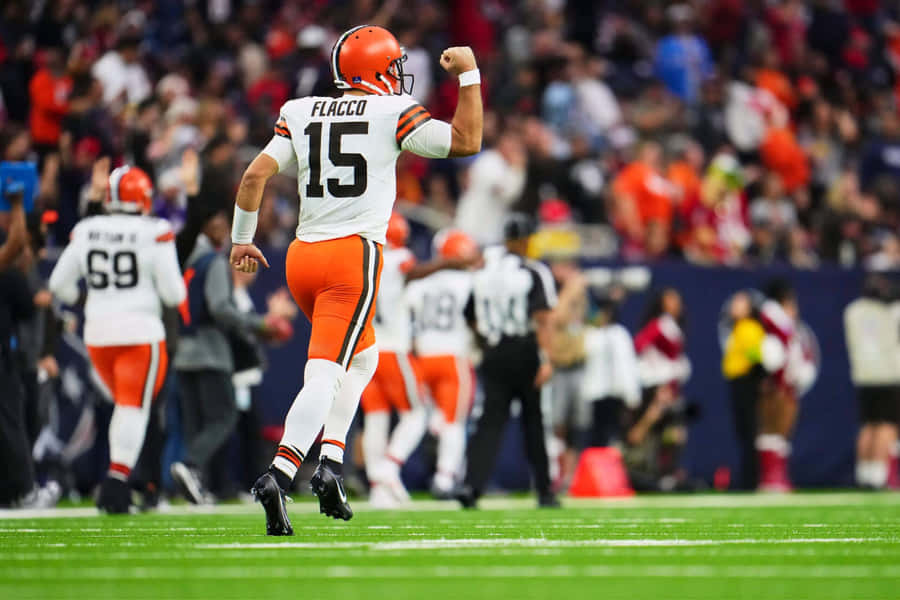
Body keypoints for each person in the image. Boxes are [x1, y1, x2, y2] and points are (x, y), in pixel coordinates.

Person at [228, 26, 482, 535]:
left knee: (360, 358)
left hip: (303, 256)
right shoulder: (393, 111)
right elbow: (466, 140)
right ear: (379, 69)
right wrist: (471, 76)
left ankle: (331, 464)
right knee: (325, 372)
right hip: (352, 257)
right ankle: (280, 472)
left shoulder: (300, 111)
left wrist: (241, 239)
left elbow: (254, 176)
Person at [48, 165, 186, 513]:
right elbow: (172, 293)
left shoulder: (86, 229)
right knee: (132, 408)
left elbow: (58, 286)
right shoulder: (156, 232)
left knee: (124, 407)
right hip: (140, 331)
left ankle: (117, 478)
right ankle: (116, 482)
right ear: (143, 198)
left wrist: (90, 300)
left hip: (97, 332)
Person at [169, 210, 291, 504]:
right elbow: (221, 307)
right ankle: (190, 465)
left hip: (185, 351)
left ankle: (196, 484)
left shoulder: (191, 263)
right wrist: (262, 324)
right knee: (223, 418)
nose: (223, 232)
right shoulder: (213, 262)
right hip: (210, 352)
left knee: (197, 423)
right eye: (216, 225)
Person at [456, 214, 559, 509]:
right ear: (525, 240)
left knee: (489, 423)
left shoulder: (483, 271)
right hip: (524, 349)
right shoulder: (533, 271)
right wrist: (546, 359)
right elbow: (543, 318)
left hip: (494, 350)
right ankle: (544, 491)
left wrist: (488, 343)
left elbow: (472, 318)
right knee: (533, 422)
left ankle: (472, 487)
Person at [406, 228, 480, 498]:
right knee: (454, 422)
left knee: (422, 416)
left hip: (422, 357)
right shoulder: (471, 282)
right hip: (453, 357)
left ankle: (391, 466)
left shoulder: (420, 282)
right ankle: (445, 478)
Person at [844, 275, 900, 489]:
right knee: (886, 425)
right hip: (887, 375)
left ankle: (864, 475)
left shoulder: (852, 311)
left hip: (864, 375)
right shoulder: (891, 311)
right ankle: (877, 476)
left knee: (868, 425)